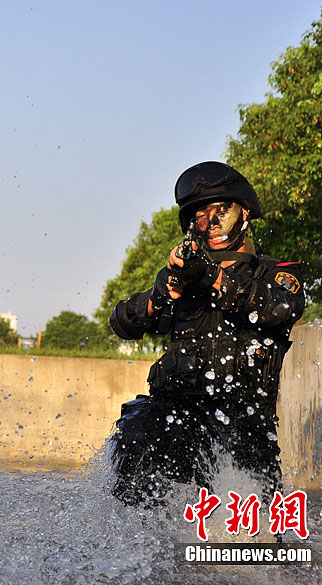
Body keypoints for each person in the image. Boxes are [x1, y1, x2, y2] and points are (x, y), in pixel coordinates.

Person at [108, 161, 305, 506]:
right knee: (137, 428)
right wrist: (161, 295)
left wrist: (212, 277)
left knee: (255, 548)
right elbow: (123, 323)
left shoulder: (276, 274)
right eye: (200, 216)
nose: (210, 224)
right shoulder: (184, 280)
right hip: (180, 421)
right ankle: (135, 541)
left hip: (244, 429)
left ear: (243, 212)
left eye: (221, 212)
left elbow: (280, 308)